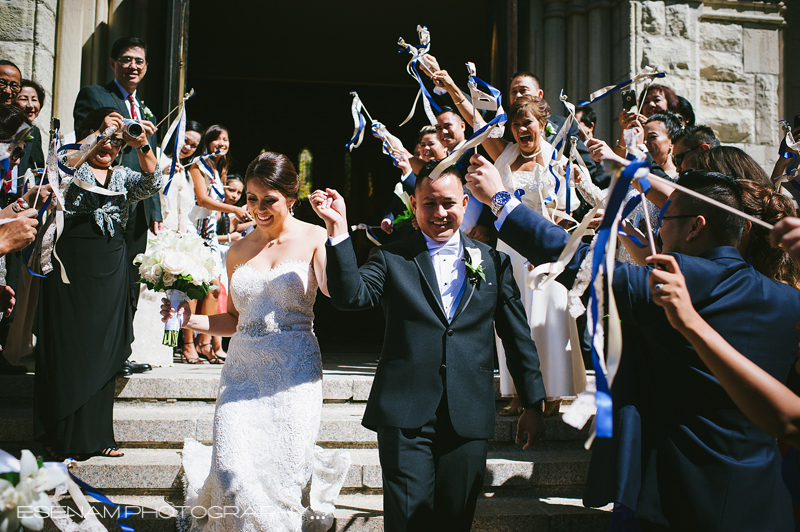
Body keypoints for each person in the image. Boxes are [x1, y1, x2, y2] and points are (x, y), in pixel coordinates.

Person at [465, 155, 799, 530]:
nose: (658, 228)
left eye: (664, 220)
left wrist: (499, 199)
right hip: (764, 498)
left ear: (694, 228)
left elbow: (578, 263)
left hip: (676, 496)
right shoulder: (790, 301)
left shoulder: (673, 284)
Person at [311, 161, 546, 531]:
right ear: (414, 203)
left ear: (465, 203)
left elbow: (516, 336)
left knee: (455, 520)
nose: (440, 213)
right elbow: (351, 297)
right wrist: (338, 230)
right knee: (407, 521)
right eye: (429, 204)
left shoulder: (493, 262)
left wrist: (533, 402)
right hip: (405, 413)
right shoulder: (392, 256)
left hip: (467, 411)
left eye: (449, 203)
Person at [162, 151, 350, 531]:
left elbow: (334, 291)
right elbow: (234, 319)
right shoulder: (237, 250)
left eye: (269, 200)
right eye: (251, 198)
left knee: (281, 479)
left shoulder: (315, 236)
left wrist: (336, 229)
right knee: (234, 474)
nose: (259, 208)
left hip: (294, 374)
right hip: (241, 374)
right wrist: (188, 320)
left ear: (291, 198)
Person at [34, 107, 160, 460]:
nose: (111, 146)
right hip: (71, 267)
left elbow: (153, 184)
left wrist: (141, 144)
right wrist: (100, 134)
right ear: (91, 133)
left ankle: (99, 433)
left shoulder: (123, 175)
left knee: (103, 347)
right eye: (107, 138)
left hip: (110, 267)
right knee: (69, 345)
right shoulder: (69, 161)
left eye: (117, 142)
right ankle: (57, 433)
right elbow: (67, 166)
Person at [477, 94, 585, 416]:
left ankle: (551, 393)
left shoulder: (558, 159)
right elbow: (476, 124)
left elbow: (570, 208)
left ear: (542, 125)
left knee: (546, 320)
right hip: (510, 249)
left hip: (544, 248)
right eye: (516, 123)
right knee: (513, 320)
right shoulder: (505, 154)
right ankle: (519, 393)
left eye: (528, 122)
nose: (522, 128)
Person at [73, 36, 160, 376]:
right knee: (102, 279)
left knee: (130, 281)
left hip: (136, 205)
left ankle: (121, 351)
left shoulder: (145, 107)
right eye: (125, 59)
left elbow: (147, 167)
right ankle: (94, 349)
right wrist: (122, 126)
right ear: (113, 63)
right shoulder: (97, 95)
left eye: (139, 60)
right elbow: (85, 134)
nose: (133, 66)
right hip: (99, 200)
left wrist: (155, 214)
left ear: (147, 66)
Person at [188, 124, 248, 363]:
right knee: (192, 290)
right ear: (207, 142)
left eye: (226, 139)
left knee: (213, 290)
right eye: (217, 139)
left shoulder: (218, 169)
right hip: (194, 233)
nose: (222, 143)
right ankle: (188, 344)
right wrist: (234, 208)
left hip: (210, 236)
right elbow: (203, 199)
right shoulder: (197, 165)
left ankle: (205, 342)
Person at [15, 79, 45, 176]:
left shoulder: (34, 132)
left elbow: (38, 170)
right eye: (23, 99)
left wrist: (30, 183)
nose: (30, 105)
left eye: (34, 100)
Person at [643, 112, 682, 177]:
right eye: (643, 138)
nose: (645, 142)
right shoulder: (636, 174)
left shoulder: (679, 178)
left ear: (671, 140)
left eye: (653, 136)